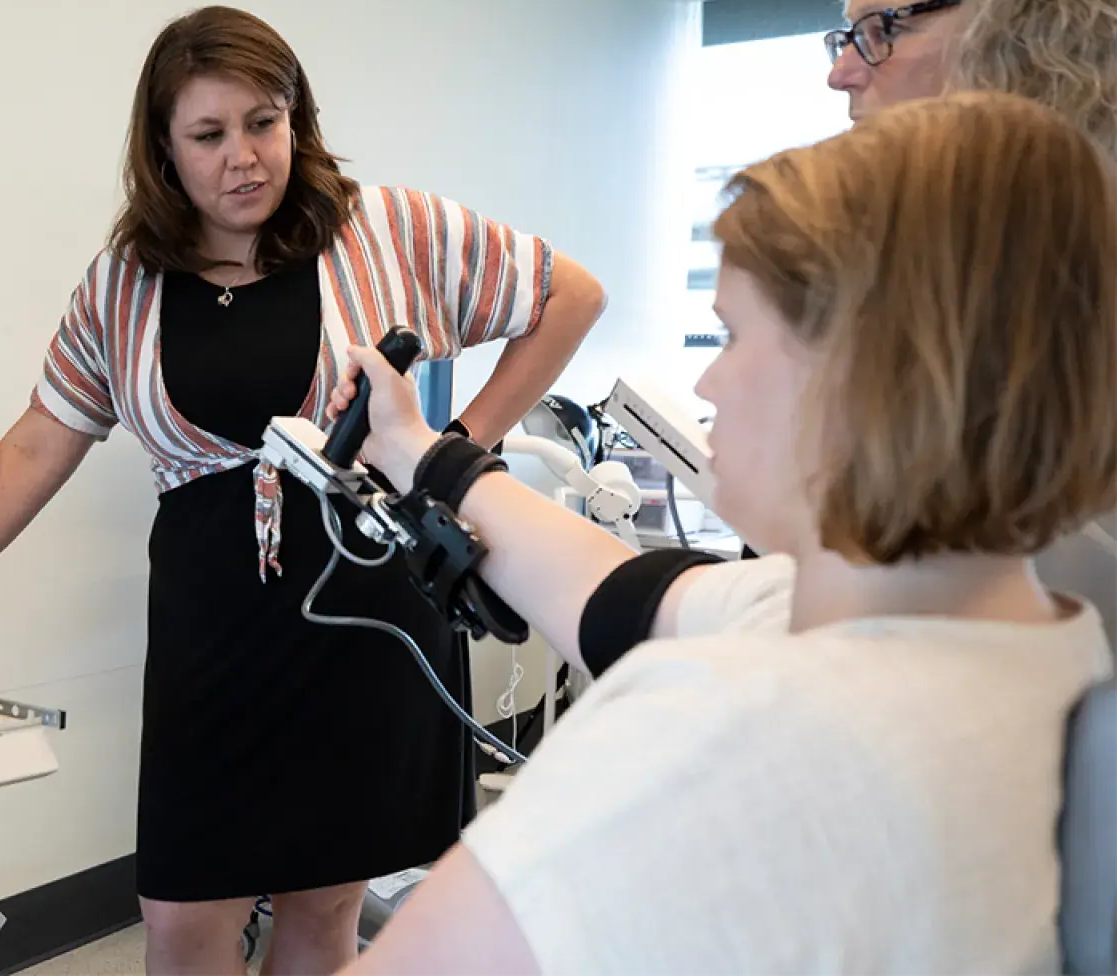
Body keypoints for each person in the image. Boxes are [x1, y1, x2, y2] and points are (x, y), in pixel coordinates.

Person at [0, 5, 607, 976]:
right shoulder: (125, 282)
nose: (245, 158)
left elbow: (569, 295)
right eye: (209, 135)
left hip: (366, 614)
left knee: (324, 901)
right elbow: (45, 435)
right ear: (164, 152)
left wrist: (452, 449)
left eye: (265, 122)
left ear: (297, 119)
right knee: (182, 913)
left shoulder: (383, 227)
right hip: (211, 627)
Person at [325, 91, 1117, 973]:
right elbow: (619, 595)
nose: (706, 384)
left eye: (734, 334)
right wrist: (416, 447)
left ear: (863, 376)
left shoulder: (729, 736)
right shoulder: (1032, 637)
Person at [816, 0, 1117, 632]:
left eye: (884, 28)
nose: (844, 73)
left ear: (1040, 24)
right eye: (848, 36)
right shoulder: (988, 293)